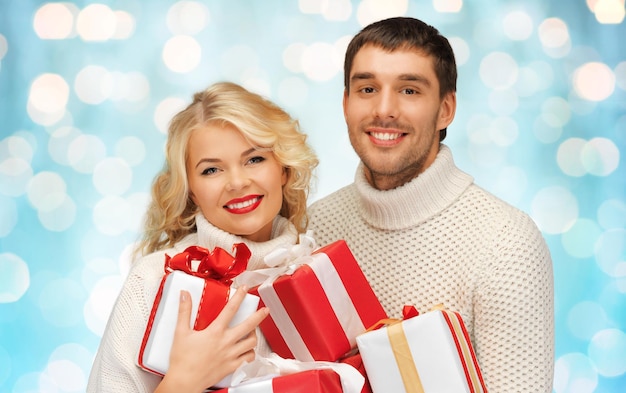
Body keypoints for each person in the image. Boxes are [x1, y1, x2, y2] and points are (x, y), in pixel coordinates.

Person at [308, 17, 554, 392]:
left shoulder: (507, 243)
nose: (384, 109)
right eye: (368, 88)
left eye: (409, 90)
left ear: (445, 109)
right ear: (346, 104)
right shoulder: (313, 228)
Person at [87, 82, 319, 393]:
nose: (237, 182)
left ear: (284, 169)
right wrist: (185, 381)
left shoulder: (317, 272)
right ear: (191, 190)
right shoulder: (154, 278)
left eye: (254, 159)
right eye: (211, 170)